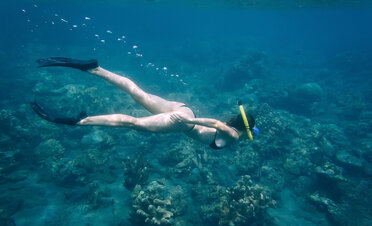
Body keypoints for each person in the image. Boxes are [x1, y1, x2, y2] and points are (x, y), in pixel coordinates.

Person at [31, 57, 258, 150]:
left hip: (182, 109)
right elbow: (216, 124)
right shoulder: (235, 136)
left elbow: (218, 124)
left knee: (137, 93)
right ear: (245, 128)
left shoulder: (235, 129)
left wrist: (189, 116)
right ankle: (79, 121)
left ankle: (93, 68)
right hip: (184, 120)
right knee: (133, 123)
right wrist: (190, 120)